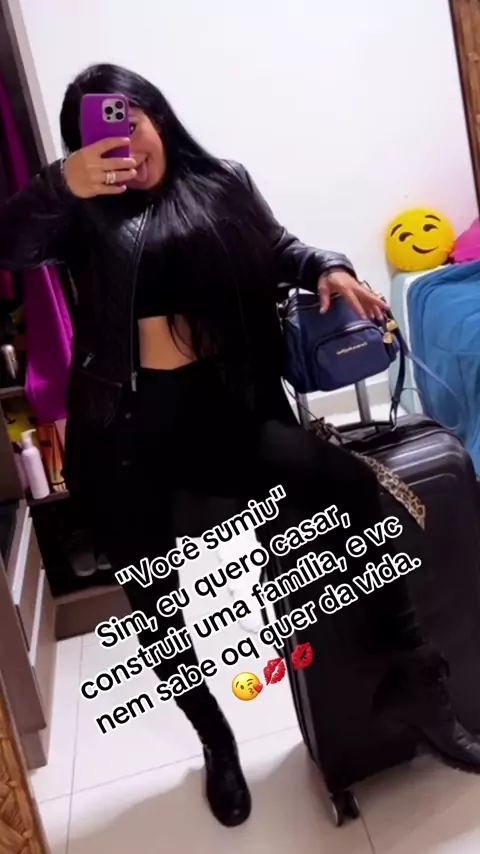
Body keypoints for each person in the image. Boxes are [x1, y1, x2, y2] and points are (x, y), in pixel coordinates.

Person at [1, 63, 480, 827]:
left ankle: (415, 676)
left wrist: (326, 265)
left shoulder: (220, 182)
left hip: (225, 413)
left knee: (351, 486)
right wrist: (61, 184)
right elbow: (11, 246)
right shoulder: (78, 211)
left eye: (133, 123)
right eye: (98, 136)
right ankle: (215, 739)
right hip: (121, 432)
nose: (123, 147)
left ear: (158, 117)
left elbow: (279, 246)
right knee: (155, 599)